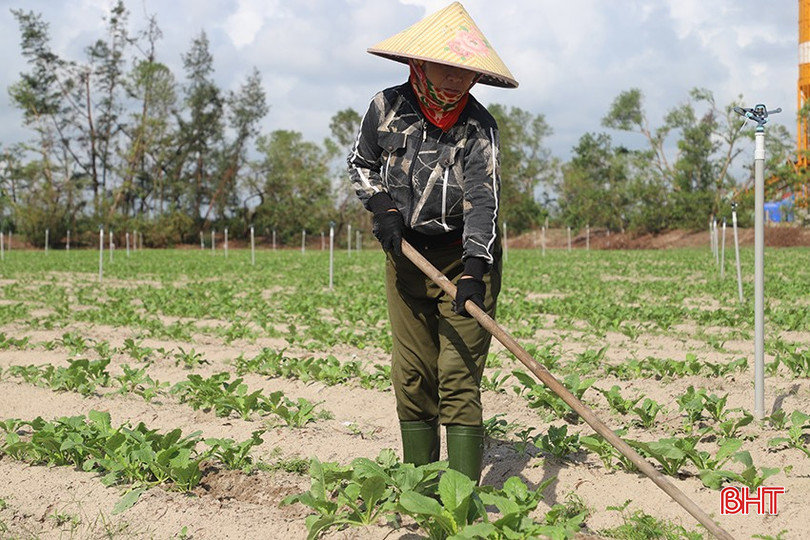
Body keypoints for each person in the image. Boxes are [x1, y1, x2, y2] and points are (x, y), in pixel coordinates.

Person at [347, 2, 517, 484]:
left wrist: (474, 270)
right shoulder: (386, 108)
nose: (456, 80)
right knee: (414, 377)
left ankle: (460, 503)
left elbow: (484, 201)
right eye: (446, 67)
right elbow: (361, 163)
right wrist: (381, 207)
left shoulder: (478, 129)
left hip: (464, 255)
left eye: (466, 72)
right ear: (418, 64)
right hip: (406, 255)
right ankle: (418, 490)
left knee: (458, 379)